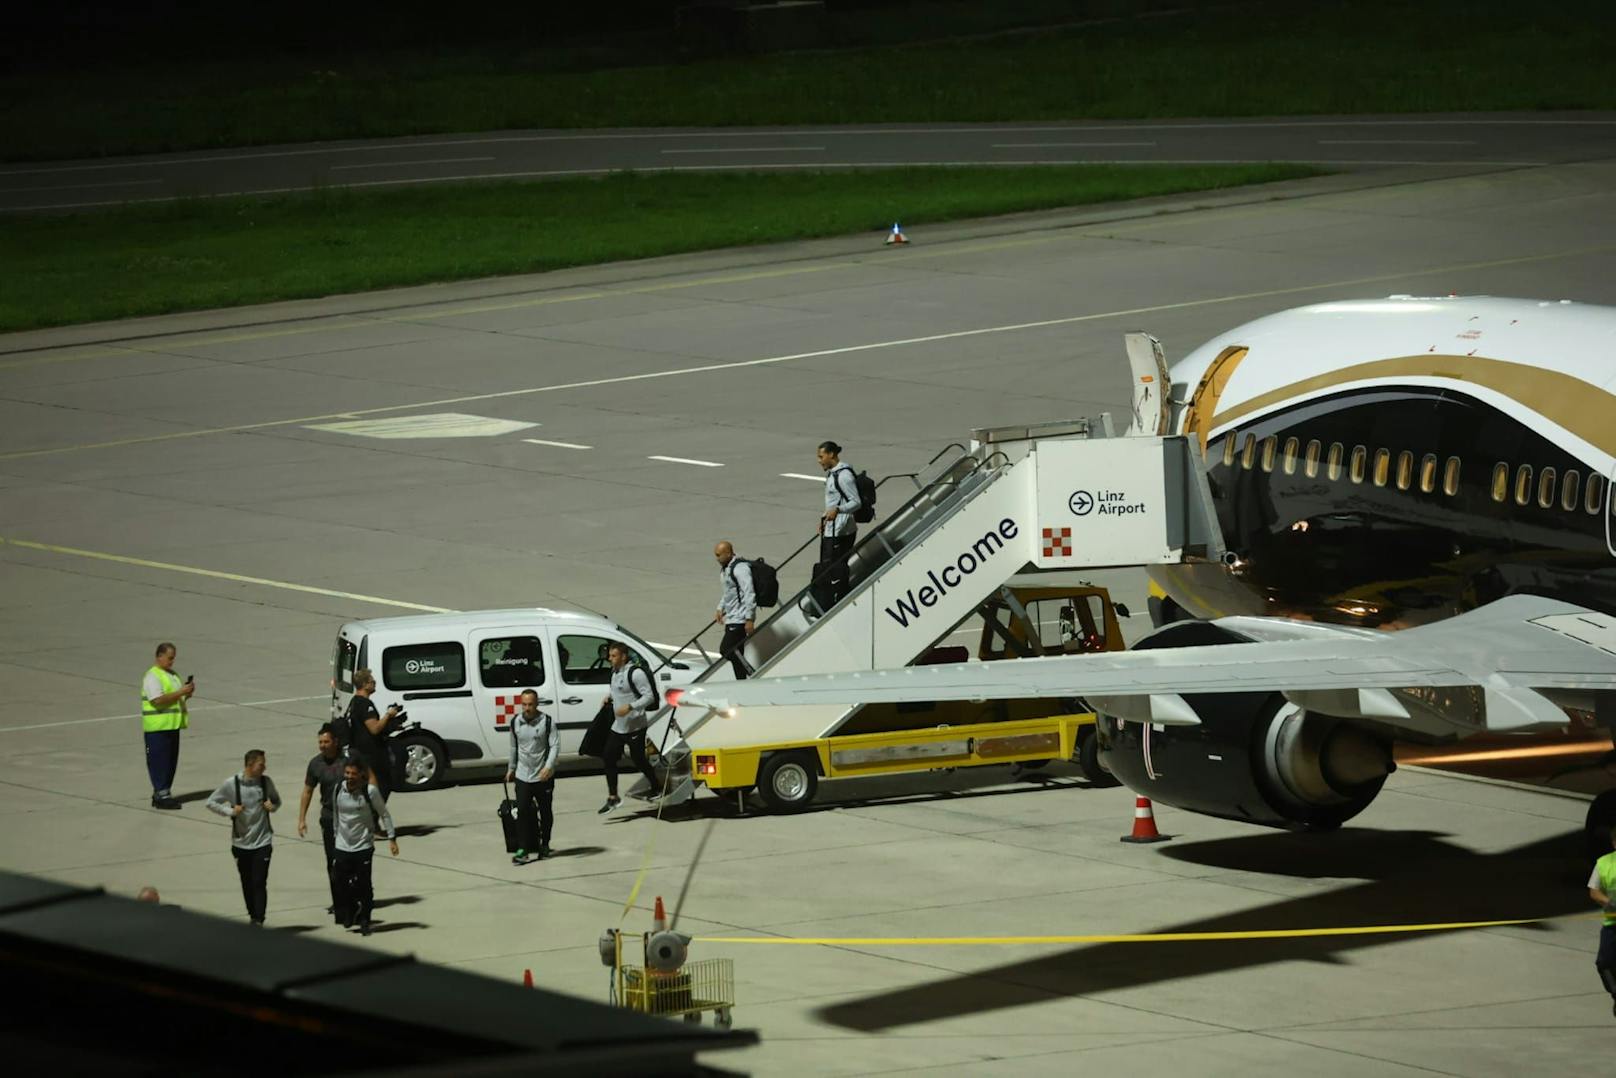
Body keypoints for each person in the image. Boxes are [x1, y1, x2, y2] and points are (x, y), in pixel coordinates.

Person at [205, 749, 280, 926]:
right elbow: (211, 802)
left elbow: (276, 800)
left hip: (263, 841)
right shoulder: (232, 784)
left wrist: (273, 806)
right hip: (241, 843)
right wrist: (230, 811)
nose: (264, 767)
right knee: (247, 882)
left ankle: (259, 919)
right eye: (261, 764)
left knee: (259, 881)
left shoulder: (266, 782)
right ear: (250, 765)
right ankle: (253, 915)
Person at [330, 759, 397, 936]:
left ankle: (365, 919)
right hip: (342, 844)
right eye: (347, 773)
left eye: (353, 774)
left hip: (363, 845)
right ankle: (351, 908)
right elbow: (336, 815)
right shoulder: (338, 789)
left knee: (364, 885)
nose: (350, 777)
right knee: (339, 881)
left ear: (361, 774)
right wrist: (336, 836)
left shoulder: (370, 792)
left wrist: (392, 838)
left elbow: (384, 814)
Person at [598, 643, 660, 814]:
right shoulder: (615, 671)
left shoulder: (636, 673)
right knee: (608, 757)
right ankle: (613, 797)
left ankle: (656, 785)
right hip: (618, 726)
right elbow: (618, 690)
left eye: (614, 656)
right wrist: (609, 697)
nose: (610, 659)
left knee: (638, 759)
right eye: (610, 656)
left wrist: (631, 707)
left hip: (635, 726)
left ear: (624, 656)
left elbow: (649, 697)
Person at [297, 724, 347, 913]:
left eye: (326, 742)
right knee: (332, 861)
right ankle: (338, 901)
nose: (323, 745)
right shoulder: (315, 764)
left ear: (335, 742)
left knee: (349, 861)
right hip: (328, 817)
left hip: (349, 819)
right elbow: (308, 791)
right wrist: (301, 819)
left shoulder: (348, 761)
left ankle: (353, 898)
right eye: (320, 742)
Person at [506, 688, 559, 864]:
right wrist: (511, 768)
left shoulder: (547, 722)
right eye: (524, 704)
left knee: (545, 812)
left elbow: (554, 746)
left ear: (536, 704)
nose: (527, 708)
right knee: (521, 812)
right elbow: (514, 747)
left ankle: (545, 844)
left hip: (542, 776)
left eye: (530, 704)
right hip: (523, 775)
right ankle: (523, 849)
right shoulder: (515, 722)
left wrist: (548, 767)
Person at [140, 642, 194, 809]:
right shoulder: (152, 676)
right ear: (160, 656)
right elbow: (157, 700)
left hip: (171, 726)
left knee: (170, 762)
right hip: (157, 728)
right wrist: (180, 692)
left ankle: (162, 793)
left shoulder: (172, 675)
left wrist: (186, 694)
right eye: (170, 658)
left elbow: (174, 699)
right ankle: (162, 794)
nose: (172, 661)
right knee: (159, 762)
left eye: (173, 658)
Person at [343, 668, 400, 801]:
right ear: (364, 684)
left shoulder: (354, 702)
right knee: (382, 786)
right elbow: (374, 729)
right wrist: (388, 715)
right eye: (372, 681)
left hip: (358, 751)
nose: (374, 683)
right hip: (371, 755)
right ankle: (373, 817)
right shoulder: (365, 704)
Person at [816, 440, 861, 608]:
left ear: (831, 454)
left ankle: (836, 600)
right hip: (833, 528)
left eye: (821, 456)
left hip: (841, 531)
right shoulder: (833, 473)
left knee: (833, 569)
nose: (819, 460)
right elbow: (833, 502)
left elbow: (856, 502)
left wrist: (838, 510)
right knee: (830, 568)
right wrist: (824, 518)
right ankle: (831, 598)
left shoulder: (844, 476)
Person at [713, 540, 756, 679]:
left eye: (719, 555)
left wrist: (750, 618)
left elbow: (749, 592)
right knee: (737, 653)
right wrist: (720, 608)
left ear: (728, 553)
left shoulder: (740, 568)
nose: (717, 558)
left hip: (740, 618)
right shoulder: (726, 569)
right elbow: (728, 592)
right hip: (731, 617)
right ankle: (742, 683)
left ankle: (752, 672)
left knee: (726, 649)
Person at [1589, 822, 1616, 1017]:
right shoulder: (1603, 863)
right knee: (1604, 963)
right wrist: (1608, 902)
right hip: (1612, 925)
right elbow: (1594, 892)